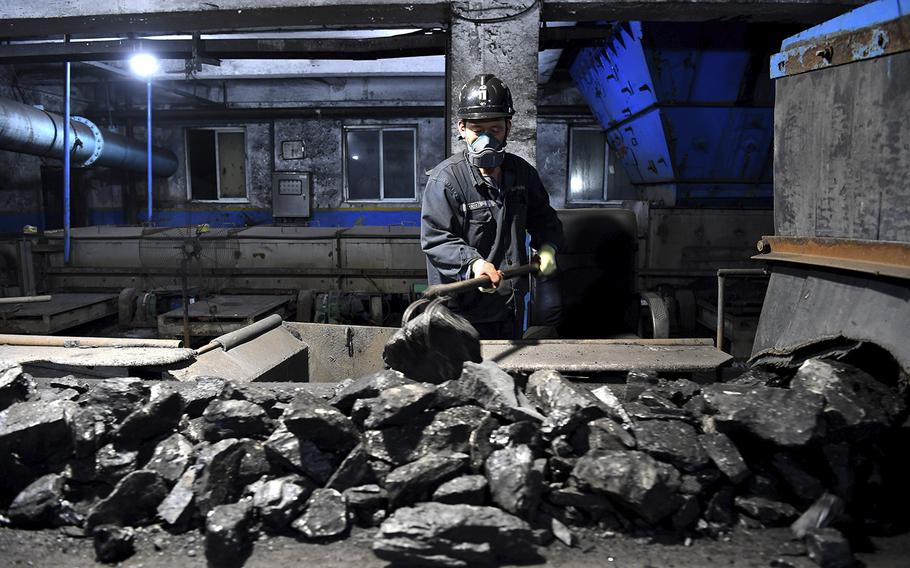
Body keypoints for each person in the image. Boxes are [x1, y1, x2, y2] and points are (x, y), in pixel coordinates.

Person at [420, 73, 563, 339]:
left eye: (495, 129)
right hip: (460, 313)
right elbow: (436, 240)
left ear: (508, 127)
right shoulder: (446, 180)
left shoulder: (523, 175)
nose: (487, 140)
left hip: (510, 308)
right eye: (478, 130)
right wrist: (473, 264)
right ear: (462, 128)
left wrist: (548, 248)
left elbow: (545, 220)